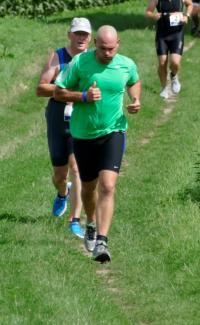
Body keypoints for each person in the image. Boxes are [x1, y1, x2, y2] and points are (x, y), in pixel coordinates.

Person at [53, 25, 141, 263]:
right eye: (103, 49)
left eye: (111, 49)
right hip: (83, 135)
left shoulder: (126, 64)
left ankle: (102, 240)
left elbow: (134, 81)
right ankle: (90, 223)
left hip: (114, 131)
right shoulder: (80, 63)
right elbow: (59, 92)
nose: (107, 53)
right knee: (89, 188)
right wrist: (82, 96)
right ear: (95, 45)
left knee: (108, 186)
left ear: (118, 44)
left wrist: (135, 99)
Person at [35, 17, 92, 238]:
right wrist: (67, 91)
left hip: (81, 116)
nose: (81, 38)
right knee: (60, 174)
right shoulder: (58, 57)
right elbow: (41, 88)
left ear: (90, 38)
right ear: (70, 35)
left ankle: (74, 221)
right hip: (58, 116)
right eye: (77, 33)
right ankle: (62, 192)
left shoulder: (93, 59)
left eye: (85, 34)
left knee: (77, 168)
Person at [145, 0, 193, 99]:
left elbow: (190, 4)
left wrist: (187, 16)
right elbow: (148, 12)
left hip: (177, 33)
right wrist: (153, 16)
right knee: (162, 63)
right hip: (162, 34)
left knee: (175, 63)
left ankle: (174, 76)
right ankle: (163, 87)